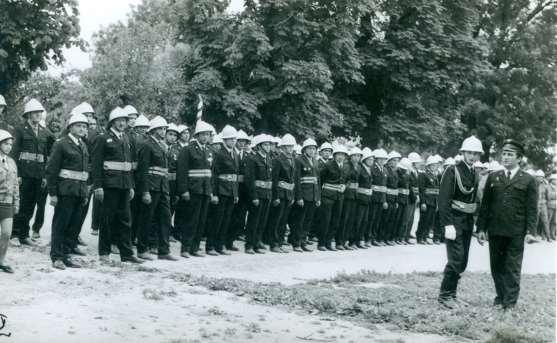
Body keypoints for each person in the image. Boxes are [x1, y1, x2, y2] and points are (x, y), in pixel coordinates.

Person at [477, 139, 538, 310]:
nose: (505, 157)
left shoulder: (528, 180)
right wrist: (481, 228)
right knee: (496, 266)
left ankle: (509, 303)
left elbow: (532, 209)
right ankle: (500, 297)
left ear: (519, 158)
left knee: (512, 267)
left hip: (516, 231)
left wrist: (530, 231)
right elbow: (486, 205)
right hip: (495, 230)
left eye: (510, 154)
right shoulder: (493, 177)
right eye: (504, 154)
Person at [91, 107, 142, 264]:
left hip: (125, 185)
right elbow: (96, 164)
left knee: (125, 220)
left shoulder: (127, 139)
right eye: (119, 120)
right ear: (112, 122)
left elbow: (129, 166)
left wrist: (131, 186)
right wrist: (98, 186)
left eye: (124, 121)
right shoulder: (103, 138)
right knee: (107, 219)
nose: (122, 123)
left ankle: (126, 253)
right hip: (109, 185)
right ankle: (104, 252)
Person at [437, 136, 483, 308]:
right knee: (456, 259)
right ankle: (445, 295)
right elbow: (443, 200)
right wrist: (447, 224)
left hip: (467, 222)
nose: (472, 156)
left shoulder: (474, 172)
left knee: (462, 261)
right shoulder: (452, 171)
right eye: (469, 153)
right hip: (454, 221)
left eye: (476, 154)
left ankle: (453, 295)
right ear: (463, 153)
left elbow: (474, 201)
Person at [46, 113, 92, 269]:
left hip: (79, 192)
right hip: (65, 191)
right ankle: (57, 257)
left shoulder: (83, 145)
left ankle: (66, 255)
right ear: (71, 127)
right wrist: (52, 193)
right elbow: (52, 170)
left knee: (73, 226)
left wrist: (85, 193)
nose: (82, 129)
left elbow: (85, 173)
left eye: (84, 126)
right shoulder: (61, 144)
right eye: (78, 125)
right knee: (61, 224)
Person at [136, 116, 178, 261]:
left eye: (164, 129)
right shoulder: (147, 145)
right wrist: (145, 191)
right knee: (146, 219)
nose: (163, 131)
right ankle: (142, 249)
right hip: (151, 187)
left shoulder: (162, 146)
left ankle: (164, 250)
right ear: (153, 130)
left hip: (162, 187)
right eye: (161, 128)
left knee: (165, 219)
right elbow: (142, 170)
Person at [11, 99, 49, 246]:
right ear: (28, 114)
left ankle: (24, 234)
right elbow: (14, 153)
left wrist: (45, 175)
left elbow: (46, 156)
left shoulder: (44, 132)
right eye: (35, 112)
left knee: (31, 205)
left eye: (40, 112)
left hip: (38, 174)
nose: (38, 114)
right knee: (21, 203)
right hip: (24, 174)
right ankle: (14, 233)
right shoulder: (20, 130)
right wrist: (17, 174)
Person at [176, 120, 214, 258]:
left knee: (201, 220)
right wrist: (183, 190)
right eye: (202, 134)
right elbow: (182, 171)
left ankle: (195, 247)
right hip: (193, 189)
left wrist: (211, 191)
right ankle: (185, 248)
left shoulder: (209, 150)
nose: (205, 137)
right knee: (190, 220)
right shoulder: (188, 149)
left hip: (205, 190)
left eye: (208, 135)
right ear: (197, 136)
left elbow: (211, 173)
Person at [210, 125, 239, 255]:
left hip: (231, 190)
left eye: (234, 139)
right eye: (230, 139)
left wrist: (235, 193)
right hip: (221, 190)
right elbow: (215, 175)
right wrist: (214, 193)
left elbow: (235, 176)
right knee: (217, 219)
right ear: (224, 140)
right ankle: (211, 246)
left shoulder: (235, 154)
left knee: (226, 219)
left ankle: (220, 245)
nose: (233, 141)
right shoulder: (219, 154)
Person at [244, 134, 274, 254]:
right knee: (254, 220)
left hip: (266, 194)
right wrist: (254, 196)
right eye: (265, 144)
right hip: (257, 194)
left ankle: (257, 242)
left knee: (262, 220)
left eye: (269, 144)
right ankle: (249, 245)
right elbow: (249, 179)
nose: (268, 147)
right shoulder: (253, 159)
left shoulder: (269, 159)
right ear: (259, 146)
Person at [290, 138, 320, 252]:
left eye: (314, 148)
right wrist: (299, 197)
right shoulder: (299, 160)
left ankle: (303, 241)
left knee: (308, 220)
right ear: (304, 149)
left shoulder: (316, 161)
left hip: (313, 196)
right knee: (299, 220)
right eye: (309, 148)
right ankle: (296, 242)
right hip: (303, 195)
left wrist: (318, 197)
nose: (312, 151)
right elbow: (297, 180)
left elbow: (318, 181)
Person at [317, 143, 348, 251]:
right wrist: (319, 195)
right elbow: (320, 179)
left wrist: (344, 185)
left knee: (335, 220)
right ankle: (321, 243)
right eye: (338, 154)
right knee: (326, 220)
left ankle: (329, 242)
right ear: (334, 155)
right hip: (327, 196)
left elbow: (346, 179)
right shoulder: (328, 165)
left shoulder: (345, 166)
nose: (340, 156)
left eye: (343, 155)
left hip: (339, 197)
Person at [0, 129, 19, 273]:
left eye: (10, 144)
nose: (9, 147)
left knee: (7, 233)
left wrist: (16, 202)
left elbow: (15, 185)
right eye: (5, 144)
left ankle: (1, 259)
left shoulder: (12, 162)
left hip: (7, 203)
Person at [416, 155, 441, 244]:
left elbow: (437, 190)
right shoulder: (423, 175)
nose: (435, 167)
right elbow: (421, 189)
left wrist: (437, 202)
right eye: (433, 165)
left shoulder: (436, 176)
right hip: (426, 201)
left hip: (433, 201)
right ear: (428, 166)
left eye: (435, 165)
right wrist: (423, 202)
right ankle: (420, 237)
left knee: (430, 221)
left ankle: (425, 236)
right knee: (424, 220)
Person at [353, 147, 373, 249]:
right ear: (364, 160)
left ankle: (360, 239)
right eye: (369, 159)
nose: (371, 161)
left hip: (367, 198)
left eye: (372, 159)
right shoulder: (360, 169)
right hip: (360, 198)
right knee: (358, 220)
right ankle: (354, 240)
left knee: (364, 220)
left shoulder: (369, 169)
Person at [368, 149, 388, 246]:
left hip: (381, 198)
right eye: (380, 159)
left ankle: (374, 238)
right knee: (371, 218)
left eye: (383, 159)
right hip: (373, 197)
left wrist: (384, 200)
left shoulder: (385, 170)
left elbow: (384, 187)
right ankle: (368, 237)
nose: (382, 161)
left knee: (377, 219)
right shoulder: (372, 168)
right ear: (376, 159)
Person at [547, 174, 556, 241]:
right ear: (551, 180)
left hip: (555, 205)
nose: (556, 181)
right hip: (550, 205)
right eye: (554, 180)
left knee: (554, 221)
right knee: (548, 220)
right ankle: (546, 234)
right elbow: (549, 197)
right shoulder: (548, 187)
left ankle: (553, 234)